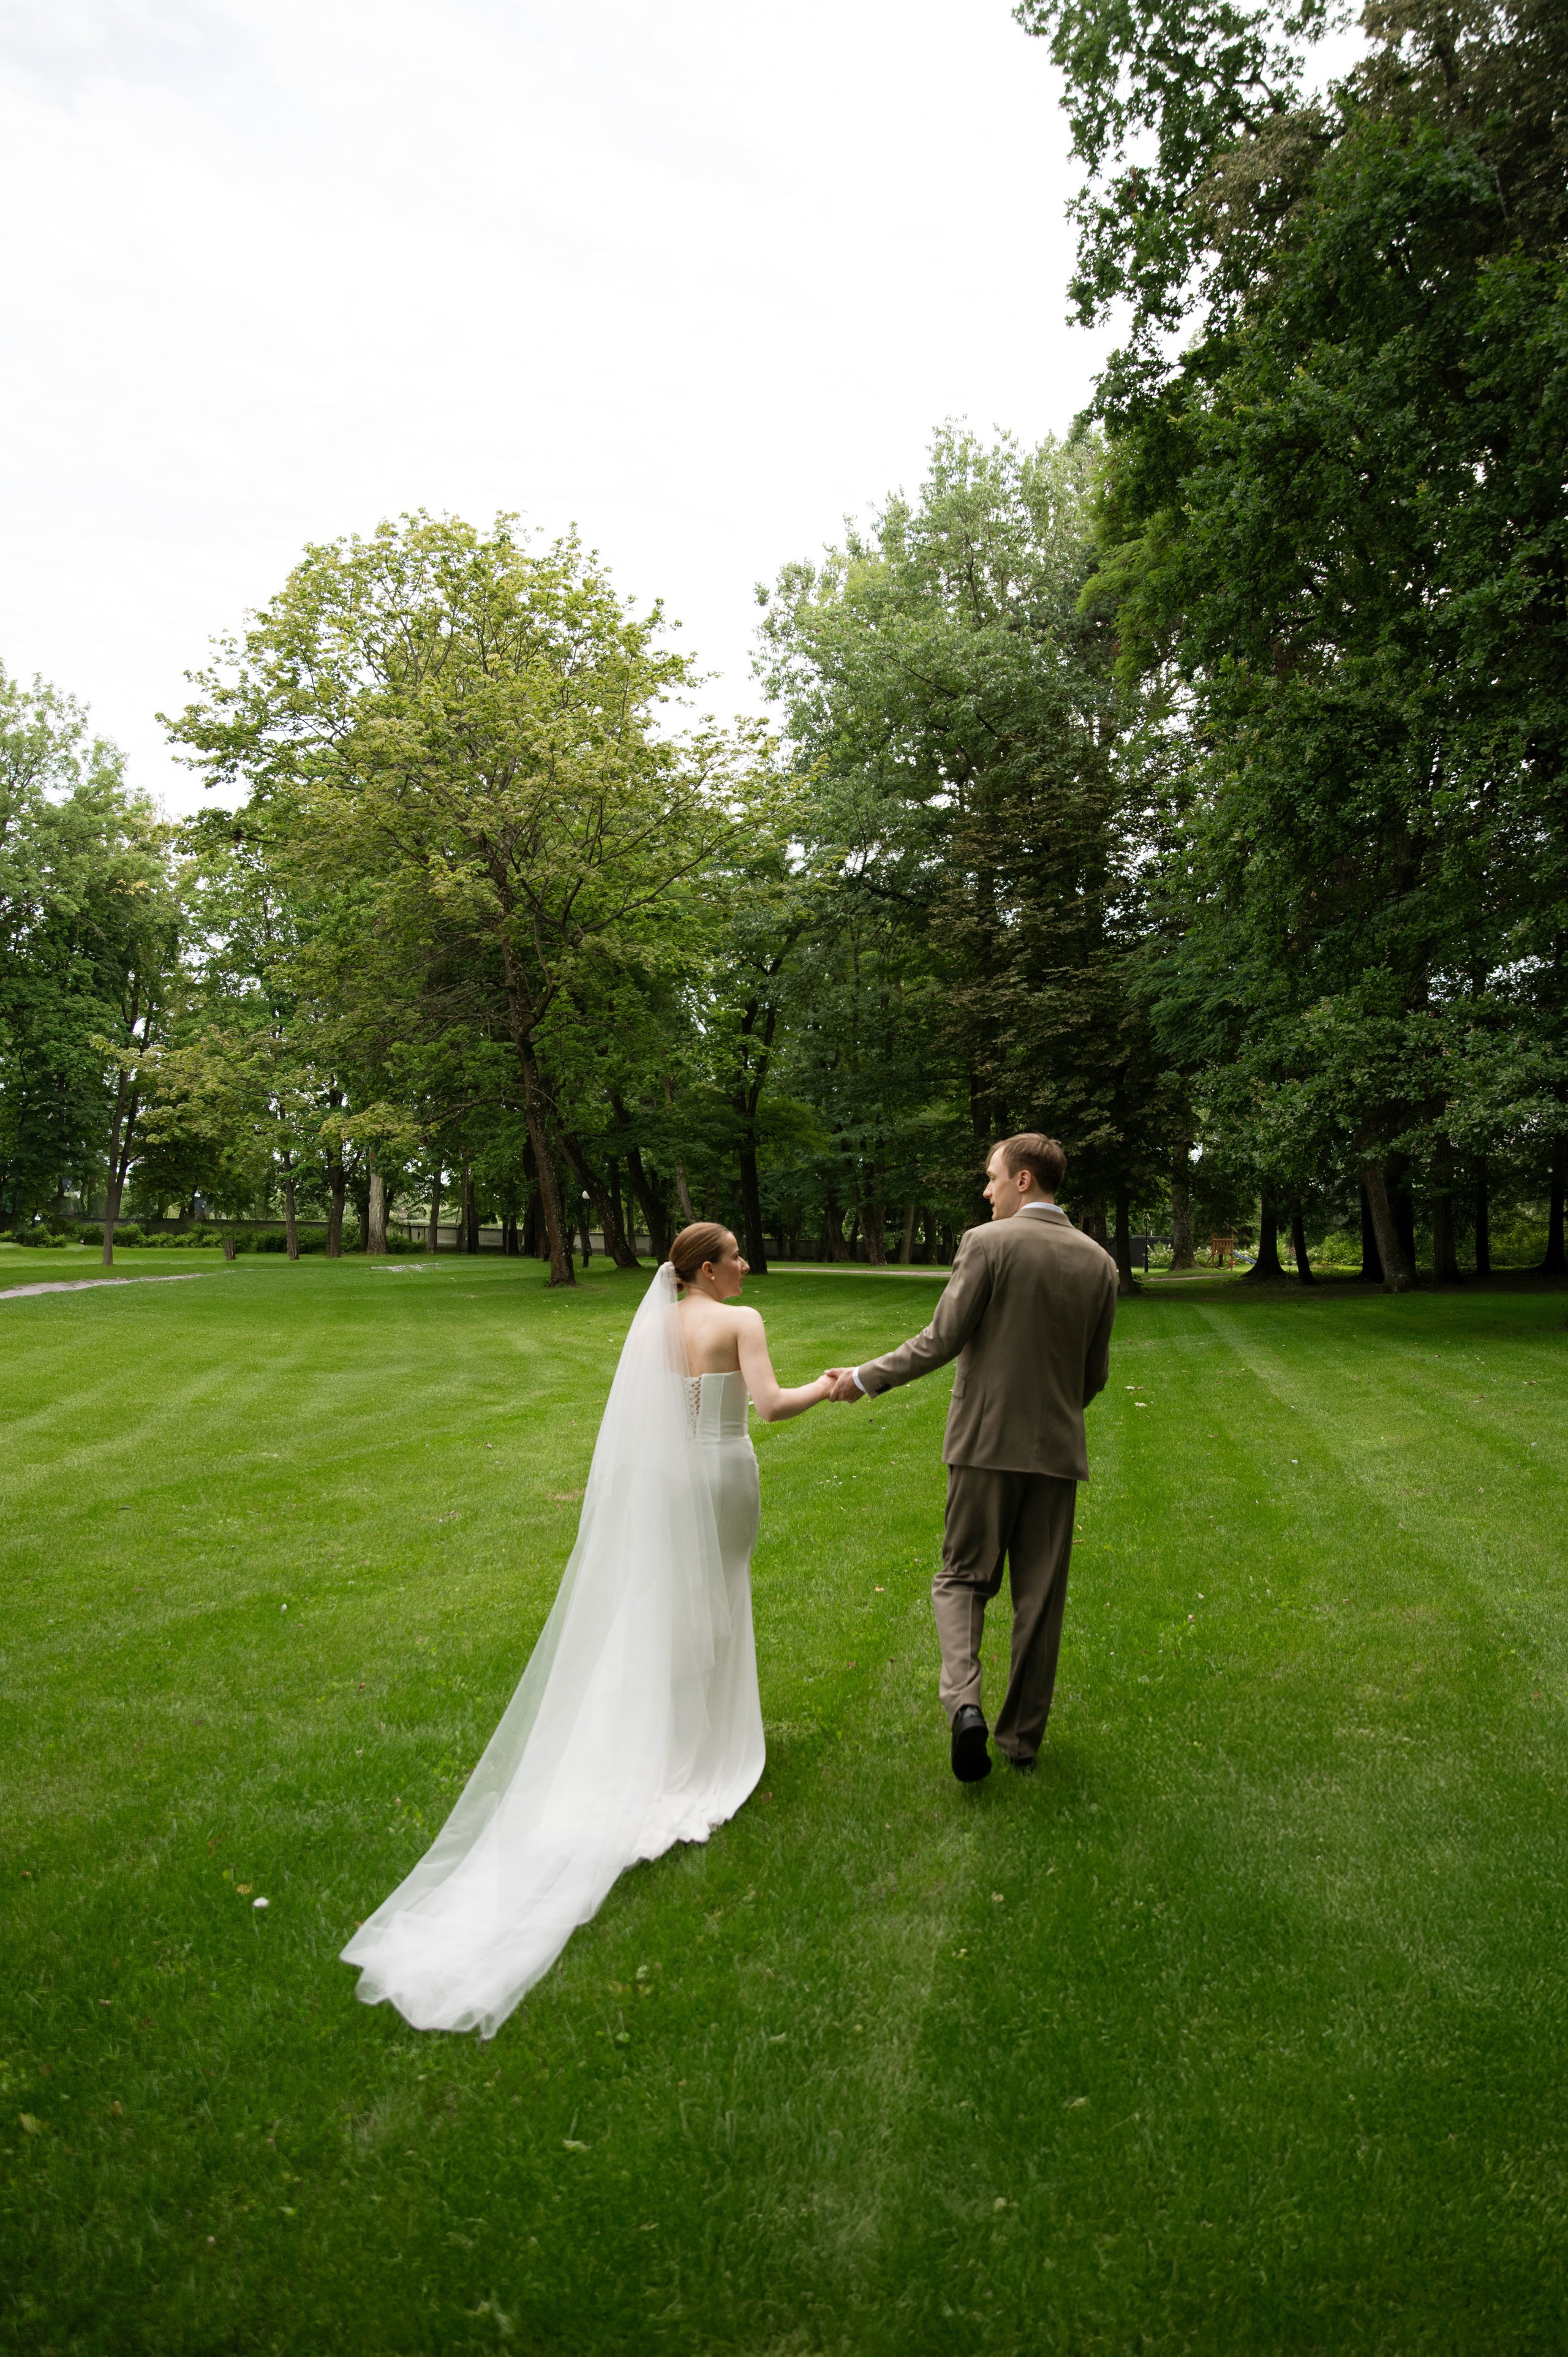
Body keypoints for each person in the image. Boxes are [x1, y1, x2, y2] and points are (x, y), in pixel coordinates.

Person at [342, 1223, 831, 2037]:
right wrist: (830, 1385)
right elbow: (772, 1406)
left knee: (672, 1603)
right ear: (707, 1270)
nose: (746, 1265)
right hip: (723, 1475)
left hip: (671, 1482)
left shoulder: (658, 1325)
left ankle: (669, 1733)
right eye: (735, 1256)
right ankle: (704, 1750)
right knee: (720, 1598)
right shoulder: (739, 1321)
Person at [825, 1134, 1117, 1783]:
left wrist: (865, 1377)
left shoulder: (986, 1244)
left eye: (991, 1178)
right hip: (1058, 1452)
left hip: (983, 1445)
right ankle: (1021, 1742)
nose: (986, 1191)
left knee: (961, 1579)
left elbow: (941, 1339)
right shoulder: (1100, 1262)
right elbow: (1093, 1374)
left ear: (1022, 1179)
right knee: (1040, 1601)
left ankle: (964, 1704)